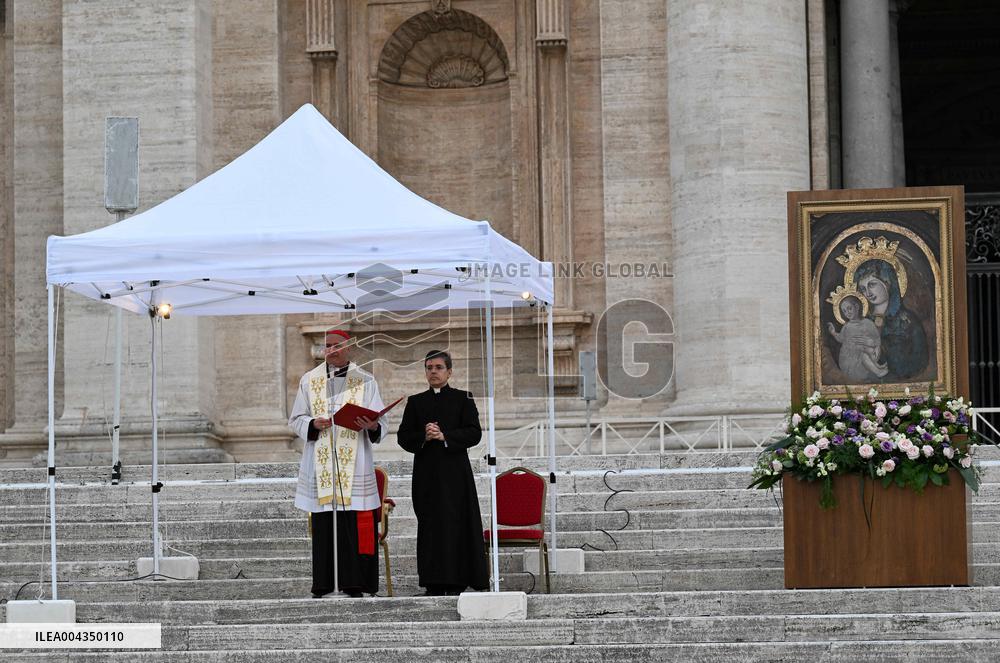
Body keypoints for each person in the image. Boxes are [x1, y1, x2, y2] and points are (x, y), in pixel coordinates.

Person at [289, 329, 388, 598]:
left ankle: (354, 584)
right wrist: (312, 423)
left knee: (351, 522)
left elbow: (381, 421)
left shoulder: (365, 380)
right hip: (321, 461)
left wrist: (372, 425)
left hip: (354, 462)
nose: (331, 350)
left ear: (348, 347)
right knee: (325, 523)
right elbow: (296, 418)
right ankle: (324, 584)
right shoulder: (309, 380)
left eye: (336, 346)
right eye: (327, 346)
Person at [397, 350, 489, 595]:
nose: (433, 372)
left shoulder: (463, 398)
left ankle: (458, 581)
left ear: (449, 371)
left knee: (457, 524)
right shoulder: (416, 402)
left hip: (456, 474)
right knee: (430, 526)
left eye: (438, 367)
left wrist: (445, 435)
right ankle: (433, 582)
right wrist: (425, 436)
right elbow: (403, 437)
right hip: (426, 475)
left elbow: (474, 433)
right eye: (429, 368)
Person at [855, 259, 928, 380]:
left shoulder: (907, 320)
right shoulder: (862, 321)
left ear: (887, 282)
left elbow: (920, 360)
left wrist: (886, 348)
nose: (867, 293)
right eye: (863, 289)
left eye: (872, 285)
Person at [827, 294, 888, 381]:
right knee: (863, 354)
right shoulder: (847, 327)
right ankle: (877, 371)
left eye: (849, 308)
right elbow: (841, 338)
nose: (847, 313)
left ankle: (877, 367)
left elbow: (877, 340)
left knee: (868, 351)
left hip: (866, 353)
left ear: (857, 307)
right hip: (850, 360)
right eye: (844, 311)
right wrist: (833, 333)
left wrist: (870, 342)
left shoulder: (868, 323)